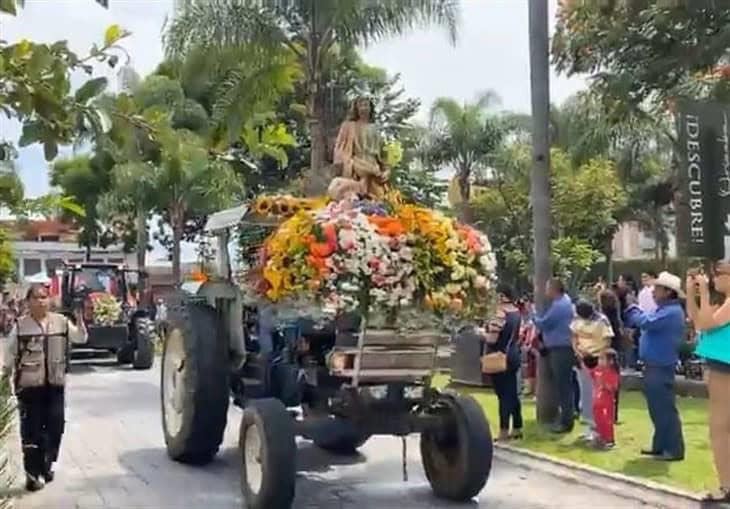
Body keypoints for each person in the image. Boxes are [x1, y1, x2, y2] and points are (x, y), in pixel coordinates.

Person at [0, 283, 87, 491]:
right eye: (36, 298)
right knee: (31, 432)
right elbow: (10, 356)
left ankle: (46, 465)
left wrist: (81, 320)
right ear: (28, 301)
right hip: (29, 387)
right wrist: (5, 378)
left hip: (55, 385)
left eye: (44, 297)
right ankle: (32, 474)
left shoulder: (61, 322)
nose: (41, 301)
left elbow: (81, 338)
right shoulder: (20, 326)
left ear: (50, 300)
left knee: (55, 428)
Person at [623, 271, 686, 461]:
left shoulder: (671, 312)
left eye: (657, 289)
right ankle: (660, 446)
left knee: (664, 409)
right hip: (653, 365)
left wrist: (632, 308)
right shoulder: (663, 309)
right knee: (657, 409)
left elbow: (644, 322)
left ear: (668, 292)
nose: (652, 292)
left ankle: (673, 450)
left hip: (660, 366)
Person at [685, 263, 730, 502]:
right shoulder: (725, 303)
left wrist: (702, 291)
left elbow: (708, 324)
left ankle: (727, 486)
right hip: (721, 365)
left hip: (725, 367)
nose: (715, 279)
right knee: (722, 428)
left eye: (719, 274)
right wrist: (692, 294)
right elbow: (698, 321)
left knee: (720, 428)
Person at [481, 284, 523, 441]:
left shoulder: (500, 313)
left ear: (501, 296)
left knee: (503, 395)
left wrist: (481, 334)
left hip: (498, 356)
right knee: (512, 393)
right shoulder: (517, 312)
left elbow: (492, 338)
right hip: (513, 354)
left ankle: (504, 430)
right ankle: (518, 426)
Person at [533, 278, 576, 433]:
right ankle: (564, 418)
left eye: (547, 288)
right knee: (563, 386)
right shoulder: (564, 302)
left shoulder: (560, 305)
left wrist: (533, 315)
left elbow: (544, 323)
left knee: (563, 386)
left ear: (554, 289)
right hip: (560, 348)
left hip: (561, 349)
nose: (546, 292)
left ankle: (566, 422)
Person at [571, 300, 613, 441]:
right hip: (583, 358)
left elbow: (607, 340)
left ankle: (599, 428)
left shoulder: (601, 320)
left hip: (597, 359)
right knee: (585, 393)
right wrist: (577, 352)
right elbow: (573, 335)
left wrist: (601, 358)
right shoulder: (577, 319)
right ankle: (589, 426)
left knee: (597, 395)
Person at [332, 96, 390, 199]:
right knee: (350, 195)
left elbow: (383, 156)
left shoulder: (376, 129)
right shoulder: (348, 126)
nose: (363, 108)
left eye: (366, 105)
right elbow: (340, 148)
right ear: (356, 108)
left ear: (371, 108)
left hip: (374, 168)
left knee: (379, 200)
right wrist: (348, 163)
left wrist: (386, 171)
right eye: (360, 105)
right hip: (355, 165)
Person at [598, 289, 623, 423]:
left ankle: (607, 413)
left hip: (606, 353)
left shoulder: (603, 319)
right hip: (615, 352)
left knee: (604, 385)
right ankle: (614, 414)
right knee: (614, 385)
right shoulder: (616, 319)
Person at [591, 349, 620, 450]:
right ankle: (600, 437)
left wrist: (605, 384)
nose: (599, 361)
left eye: (602, 359)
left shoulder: (612, 373)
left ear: (610, 361)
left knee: (607, 420)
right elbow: (591, 374)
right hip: (597, 400)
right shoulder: (597, 370)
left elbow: (613, 388)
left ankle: (609, 440)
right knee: (598, 420)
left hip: (607, 401)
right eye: (599, 358)